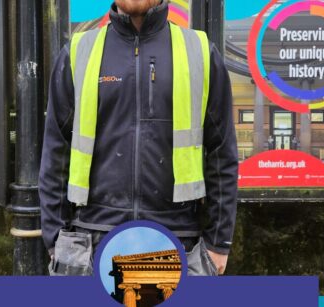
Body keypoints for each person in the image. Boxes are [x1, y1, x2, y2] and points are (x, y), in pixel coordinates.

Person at [39, 0, 238, 276]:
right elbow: (55, 151)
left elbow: (222, 154)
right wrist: (55, 237)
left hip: (177, 238)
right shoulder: (78, 52)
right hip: (92, 241)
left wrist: (219, 243)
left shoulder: (201, 53)